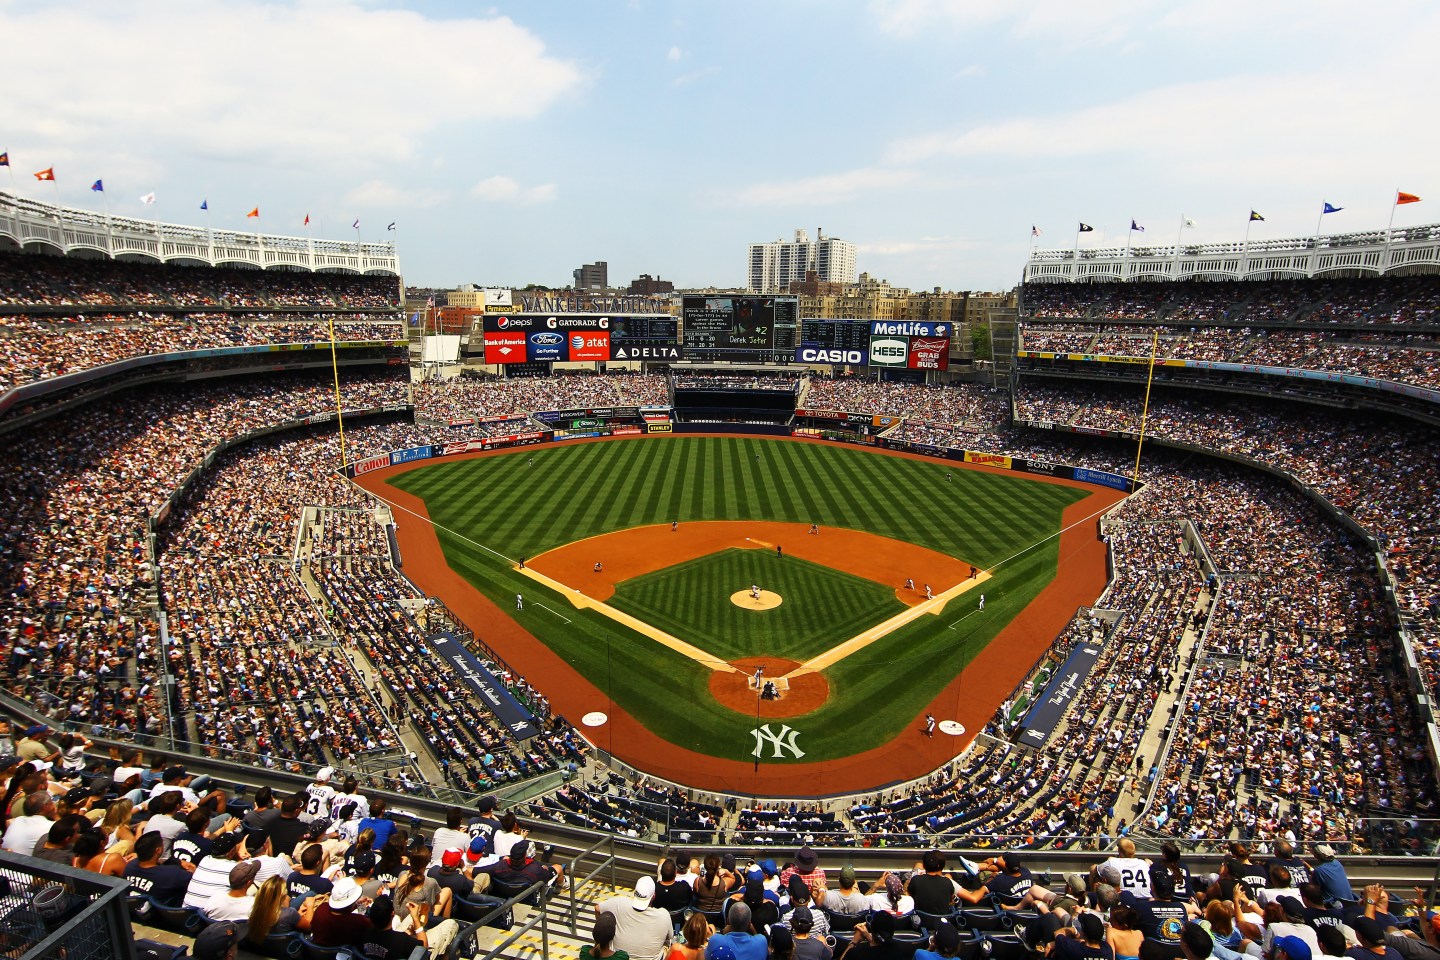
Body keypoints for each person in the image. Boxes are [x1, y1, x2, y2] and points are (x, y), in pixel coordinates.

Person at [598, 875, 674, 959]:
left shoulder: (619, 903)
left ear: (634, 893)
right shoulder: (663, 915)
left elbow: (597, 909)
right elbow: (670, 937)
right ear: (653, 896)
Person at [310, 876, 375, 947]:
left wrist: (357, 905)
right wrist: (362, 908)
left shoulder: (321, 909)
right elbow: (373, 927)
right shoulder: (358, 921)